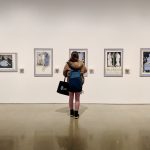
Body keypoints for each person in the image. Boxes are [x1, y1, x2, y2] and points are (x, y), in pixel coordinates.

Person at [63, 51, 87, 119]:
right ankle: (76, 114)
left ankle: (71, 112)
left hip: (70, 82)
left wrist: (68, 72)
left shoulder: (68, 63)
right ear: (77, 56)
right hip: (78, 82)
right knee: (77, 99)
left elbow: (64, 73)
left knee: (70, 98)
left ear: (71, 56)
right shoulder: (81, 63)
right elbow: (85, 70)